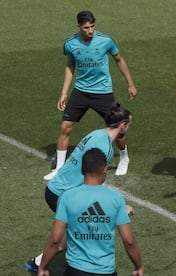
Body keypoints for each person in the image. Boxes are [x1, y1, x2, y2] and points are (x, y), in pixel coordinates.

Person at [25, 102, 132, 273]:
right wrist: (119, 207)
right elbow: (96, 183)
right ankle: (40, 265)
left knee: (71, 236)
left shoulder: (97, 134)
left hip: (56, 189)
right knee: (78, 235)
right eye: (129, 125)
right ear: (122, 125)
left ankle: (37, 263)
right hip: (63, 193)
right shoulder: (104, 148)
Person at [43, 10, 137, 181]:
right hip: (81, 91)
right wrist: (64, 93)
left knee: (117, 128)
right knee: (65, 127)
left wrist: (130, 84)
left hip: (103, 92)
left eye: (92, 26)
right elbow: (70, 66)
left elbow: (119, 59)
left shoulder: (106, 41)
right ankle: (59, 168)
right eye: (86, 27)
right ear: (78, 26)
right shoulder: (70, 44)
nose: (90, 30)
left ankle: (124, 157)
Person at [38, 148, 144, 276]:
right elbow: (129, 241)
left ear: (82, 170)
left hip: (75, 271)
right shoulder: (116, 199)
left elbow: (55, 239)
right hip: (106, 271)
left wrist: (43, 267)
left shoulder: (67, 197)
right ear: (104, 170)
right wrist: (138, 267)